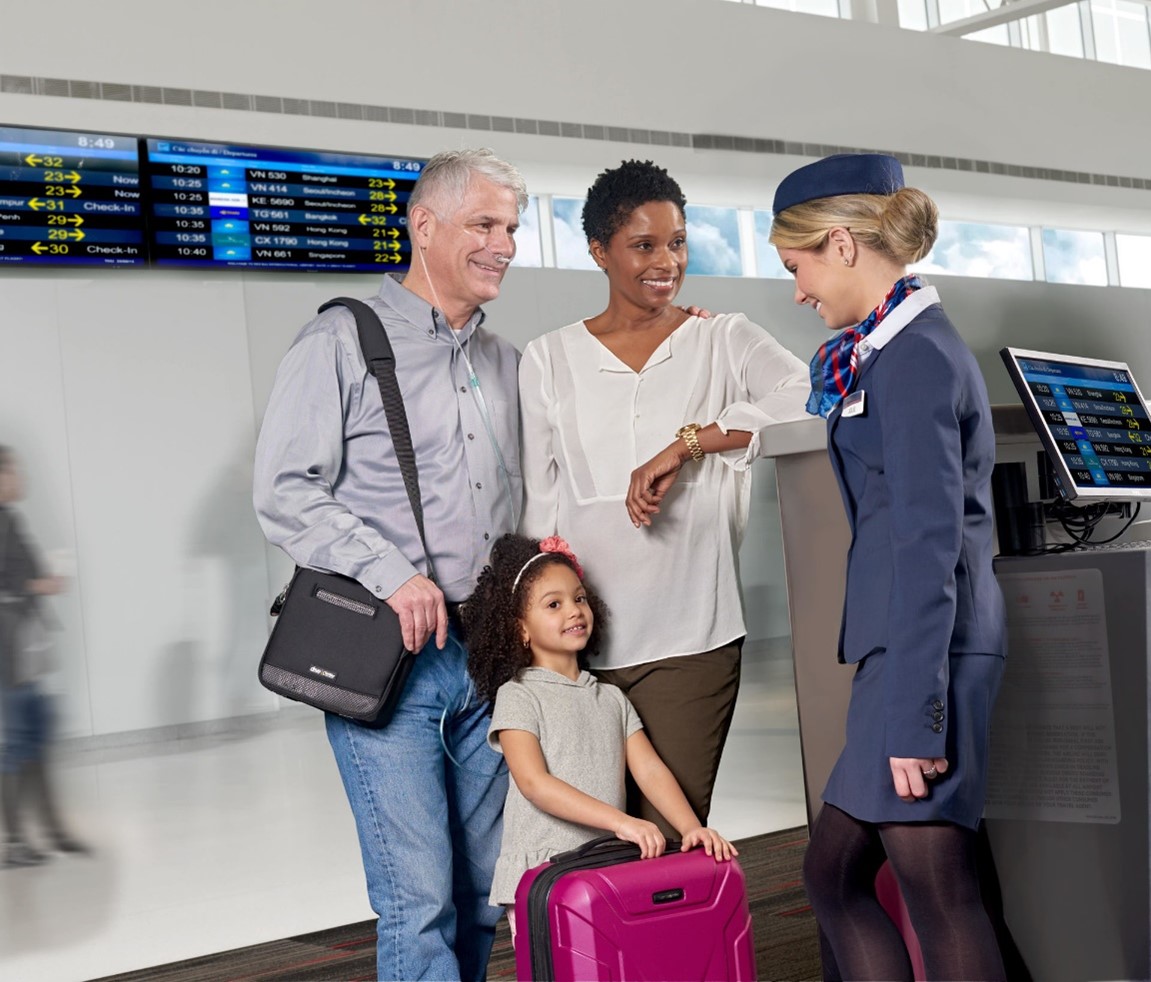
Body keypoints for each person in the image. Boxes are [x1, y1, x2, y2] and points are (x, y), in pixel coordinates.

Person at [253, 148, 526, 982]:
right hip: (389, 659)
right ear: (424, 226)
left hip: (490, 658)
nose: (504, 245)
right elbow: (283, 489)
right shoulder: (339, 340)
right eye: (484, 225)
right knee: (418, 900)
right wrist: (390, 572)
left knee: (483, 893)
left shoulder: (504, 362)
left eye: (512, 228)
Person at [518, 160, 811, 838]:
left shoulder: (721, 338)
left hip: (694, 639)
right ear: (599, 250)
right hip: (582, 647)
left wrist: (692, 442)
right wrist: (539, 645)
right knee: (585, 839)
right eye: (644, 245)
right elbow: (540, 510)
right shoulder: (548, 358)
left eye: (677, 242)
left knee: (670, 836)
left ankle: (665, 949)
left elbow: (806, 399)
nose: (666, 261)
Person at [768, 153, 1007, 981]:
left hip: (924, 660)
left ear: (839, 244)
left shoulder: (916, 361)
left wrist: (916, 716)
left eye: (795, 266)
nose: (797, 291)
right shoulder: (885, 352)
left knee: (935, 888)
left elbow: (927, 546)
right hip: (901, 657)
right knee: (833, 876)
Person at [462, 532, 736, 945]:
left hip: (605, 866)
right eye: (553, 604)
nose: (573, 611)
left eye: (579, 598)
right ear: (520, 628)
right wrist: (622, 822)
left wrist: (690, 827)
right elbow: (535, 785)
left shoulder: (610, 697)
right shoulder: (518, 695)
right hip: (545, 872)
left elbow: (648, 768)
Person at [0, 446, 85, 867]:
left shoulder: (10, 518)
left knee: (36, 742)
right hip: (8, 653)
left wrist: (38, 584)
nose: (20, 477)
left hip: (25, 649)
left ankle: (51, 832)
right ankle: (15, 842)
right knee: (18, 745)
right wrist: (38, 585)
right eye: (14, 470)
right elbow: (12, 581)